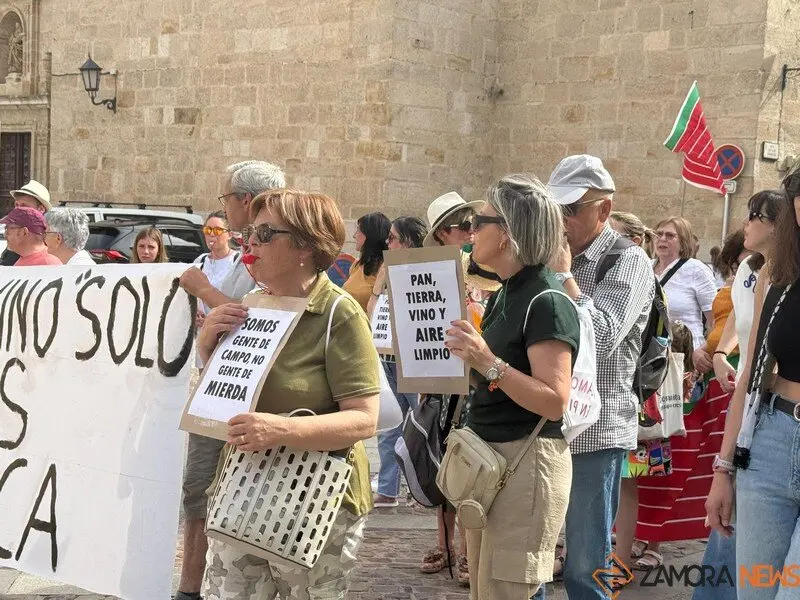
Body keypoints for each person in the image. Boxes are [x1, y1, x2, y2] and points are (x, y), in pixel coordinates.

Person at [199, 189, 380, 600]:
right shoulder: (251, 304)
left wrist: (280, 428)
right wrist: (207, 345)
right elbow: (224, 396)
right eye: (249, 233)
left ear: (303, 245)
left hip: (317, 501)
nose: (251, 243)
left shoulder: (340, 314)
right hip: (243, 489)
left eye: (265, 233)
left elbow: (364, 419)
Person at [444, 174, 578, 599]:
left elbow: (555, 401)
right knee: (487, 591)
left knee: (506, 590)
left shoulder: (546, 300)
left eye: (476, 222)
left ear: (505, 233)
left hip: (525, 463)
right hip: (495, 460)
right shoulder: (507, 293)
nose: (469, 232)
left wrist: (486, 361)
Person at [174, 160, 285, 600]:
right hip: (219, 387)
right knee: (197, 492)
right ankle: (188, 588)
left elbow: (254, 321)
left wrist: (203, 289)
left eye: (224, 197)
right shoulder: (247, 249)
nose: (220, 207)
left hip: (244, 396)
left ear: (244, 200)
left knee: (224, 497)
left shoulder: (271, 251)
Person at [546, 154, 655, 599]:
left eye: (571, 209)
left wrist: (565, 276)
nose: (562, 220)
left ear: (604, 210)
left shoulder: (629, 261)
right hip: (549, 423)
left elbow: (604, 333)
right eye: (557, 210)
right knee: (535, 554)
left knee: (587, 564)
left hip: (597, 431)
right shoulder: (555, 255)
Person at [706, 173, 800, 600]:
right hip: (768, 445)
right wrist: (723, 470)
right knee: (756, 595)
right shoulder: (777, 276)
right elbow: (752, 375)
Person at [693, 193, 782, 600]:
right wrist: (720, 355)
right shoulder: (750, 269)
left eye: (755, 216)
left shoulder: (783, 277)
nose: (745, 223)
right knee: (730, 515)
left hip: (767, 403)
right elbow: (738, 323)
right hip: (744, 396)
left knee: (739, 523)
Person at [418, 191, 498, 586]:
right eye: (462, 226)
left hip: (482, 380)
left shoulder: (496, 271)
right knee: (443, 462)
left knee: (472, 466)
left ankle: (468, 552)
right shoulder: (434, 271)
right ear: (441, 234)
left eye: (473, 224)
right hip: (447, 383)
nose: (471, 232)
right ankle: (445, 544)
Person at [367, 216, 427, 509]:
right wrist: (379, 285)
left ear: (408, 242)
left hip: (414, 361)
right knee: (390, 425)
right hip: (388, 356)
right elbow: (373, 312)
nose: (387, 244)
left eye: (392, 238)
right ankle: (389, 489)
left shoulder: (426, 270)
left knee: (422, 424)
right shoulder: (387, 271)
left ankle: (423, 489)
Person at [652, 216, 717, 349]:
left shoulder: (697, 270)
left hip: (684, 353)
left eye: (670, 235)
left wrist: (705, 351)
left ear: (683, 242)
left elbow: (714, 320)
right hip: (648, 353)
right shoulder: (645, 266)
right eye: (658, 234)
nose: (662, 238)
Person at [343, 212, 390, 312]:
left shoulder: (385, 270)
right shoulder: (356, 265)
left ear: (370, 235)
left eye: (358, 230)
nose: (354, 236)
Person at [1, 179, 52, 266]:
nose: (18, 209)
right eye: (16, 205)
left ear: (41, 209)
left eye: (24, 206)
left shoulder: (51, 237)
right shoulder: (15, 232)